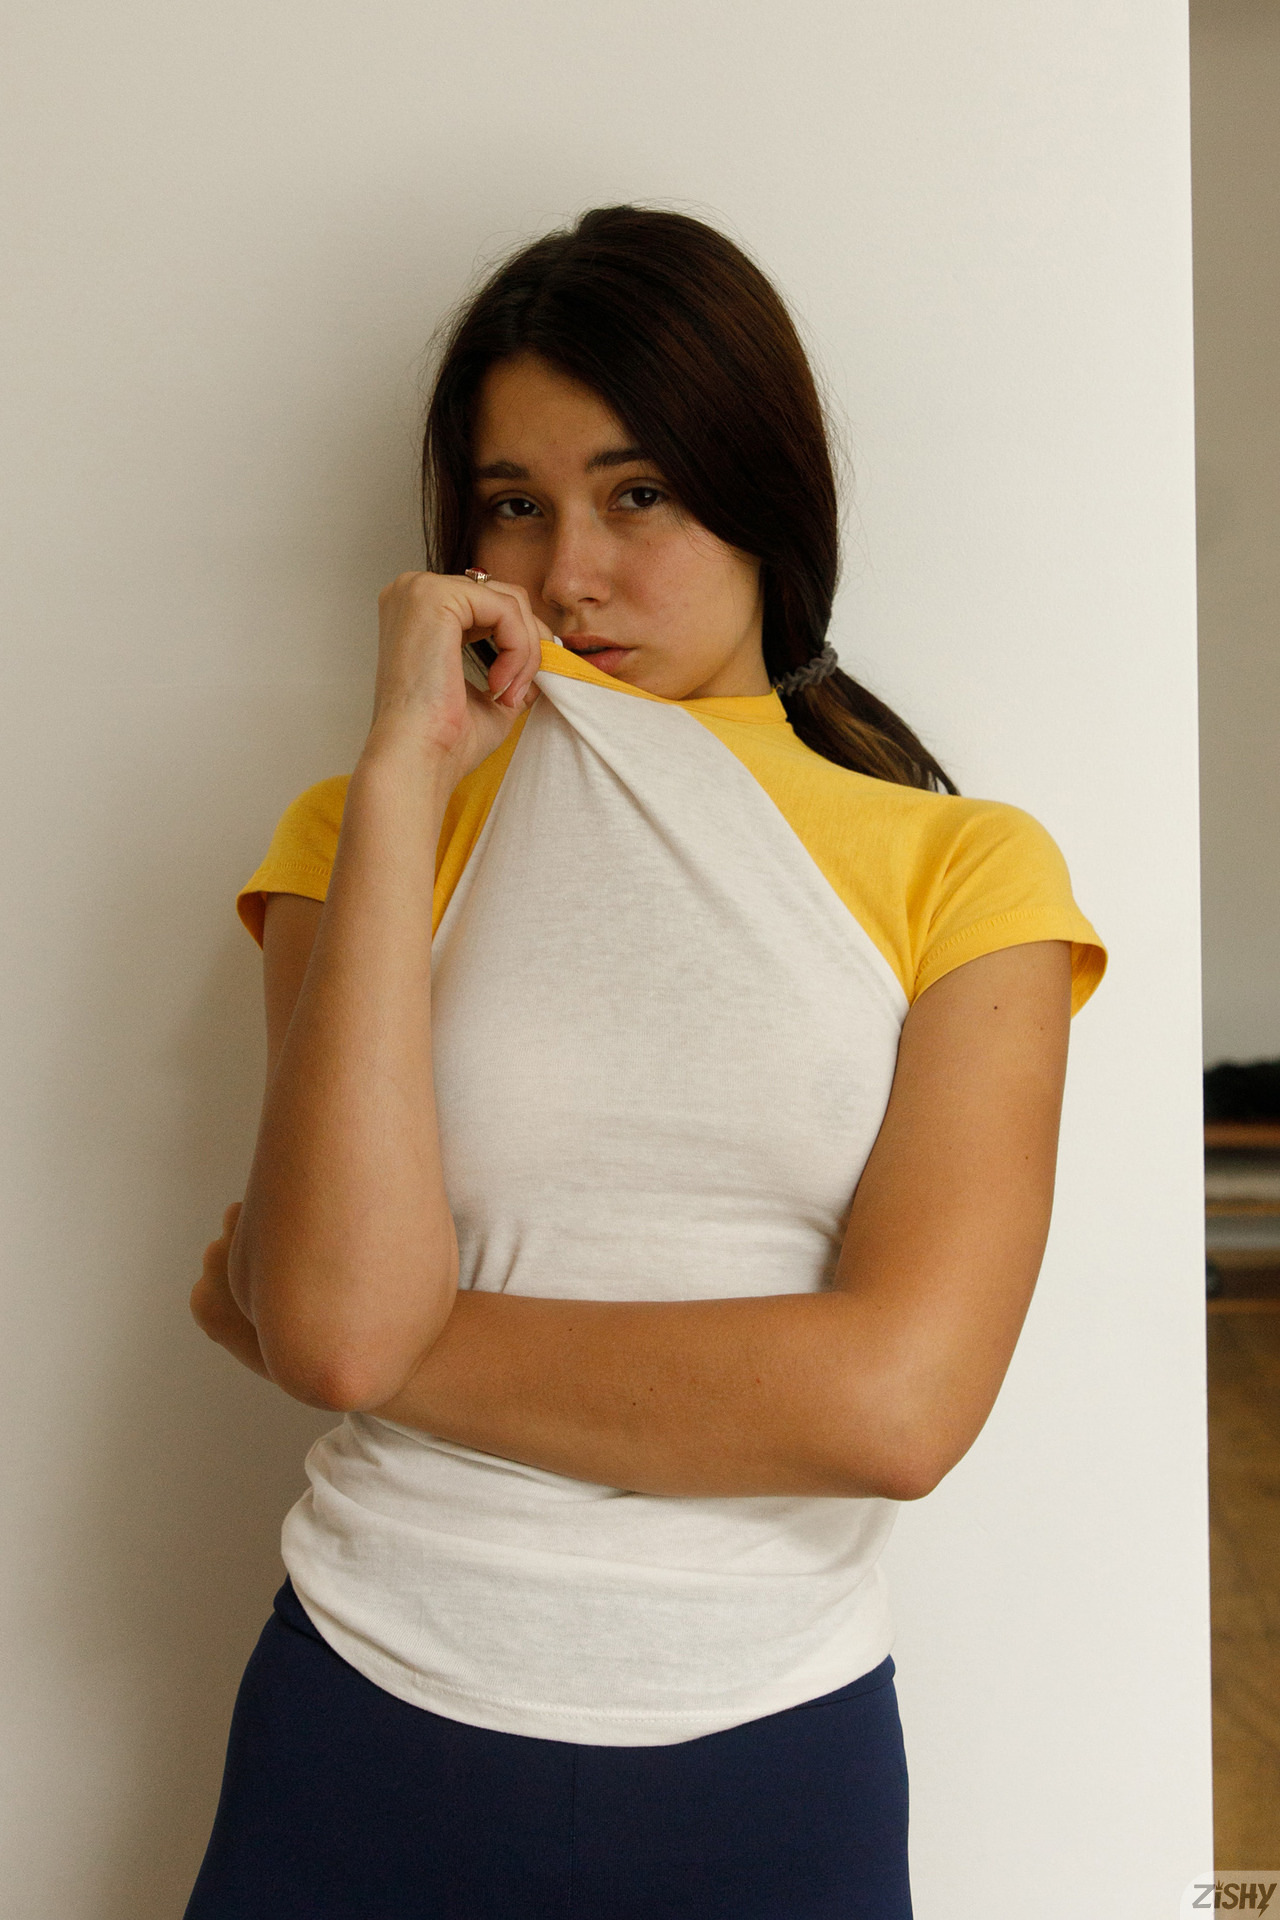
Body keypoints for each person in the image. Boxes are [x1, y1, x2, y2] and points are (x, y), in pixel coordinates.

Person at [184, 205, 1106, 1919]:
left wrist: (369, 1342)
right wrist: (403, 767)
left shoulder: (965, 870)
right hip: (363, 1716)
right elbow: (332, 1325)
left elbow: (901, 1407)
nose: (565, 577)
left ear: (761, 493)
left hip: (772, 1754)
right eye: (512, 505)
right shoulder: (365, 829)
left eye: (638, 494)